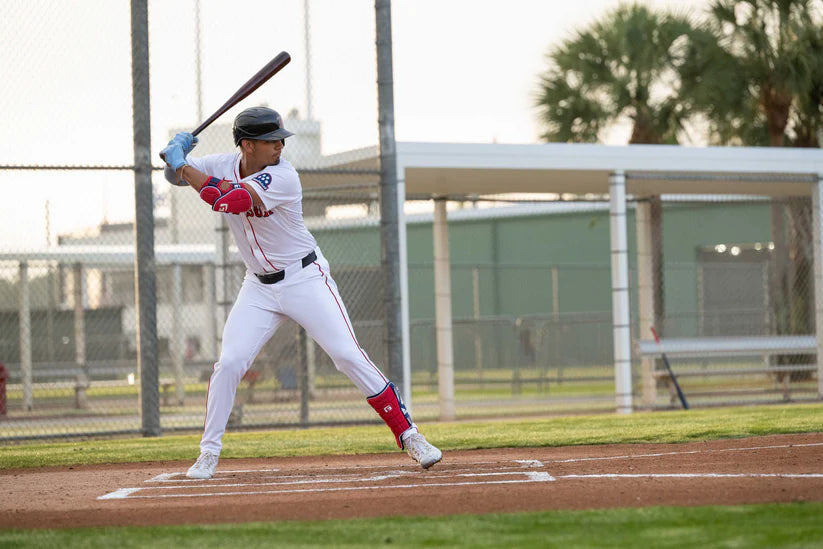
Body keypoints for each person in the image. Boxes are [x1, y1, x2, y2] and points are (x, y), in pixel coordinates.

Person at [160, 106, 442, 479]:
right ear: (246, 145)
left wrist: (182, 164)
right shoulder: (221, 163)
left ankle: (410, 436)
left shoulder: (284, 176)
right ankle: (208, 453)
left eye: (280, 139)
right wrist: (173, 157)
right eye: (269, 141)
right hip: (257, 287)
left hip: (304, 278)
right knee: (229, 363)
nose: (279, 146)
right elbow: (178, 177)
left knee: (346, 355)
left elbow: (224, 200)